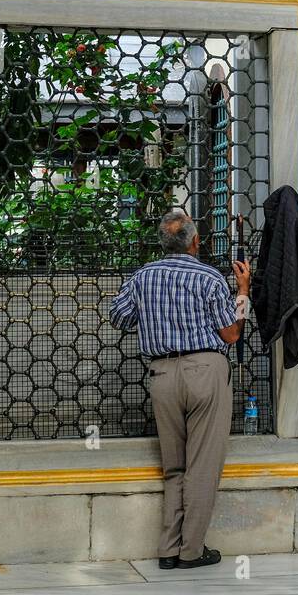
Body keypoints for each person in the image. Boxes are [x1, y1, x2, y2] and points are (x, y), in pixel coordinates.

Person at [108, 210, 250, 569]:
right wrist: (244, 291)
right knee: (202, 465)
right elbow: (231, 334)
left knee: (174, 466)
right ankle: (191, 551)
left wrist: (156, 314)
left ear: (163, 243)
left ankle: (168, 550)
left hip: (162, 374)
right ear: (195, 241)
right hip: (205, 370)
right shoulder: (209, 278)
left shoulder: (143, 276)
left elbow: (119, 317)